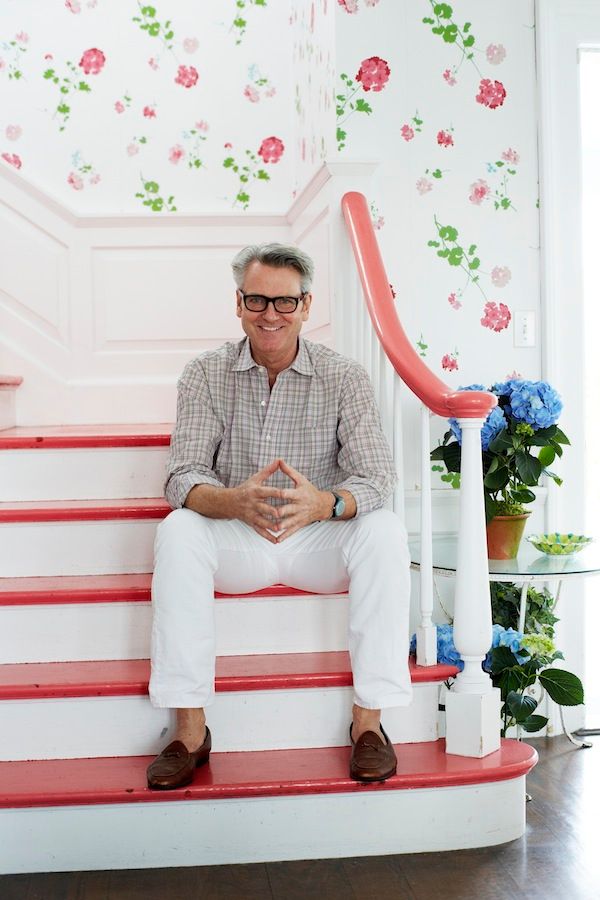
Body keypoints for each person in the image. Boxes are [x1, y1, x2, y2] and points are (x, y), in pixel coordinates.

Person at [146, 242, 412, 790]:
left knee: (384, 530)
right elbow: (182, 476)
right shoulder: (204, 373)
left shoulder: (345, 377)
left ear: (307, 305)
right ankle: (189, 730)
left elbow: (378, 479)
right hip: (237, 542)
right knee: (177, 531)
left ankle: (370, 724)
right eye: (258, 300)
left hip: (317, 544)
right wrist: (231, 501)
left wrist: (325, 503)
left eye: (285, 302)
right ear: (238, 303)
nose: (271, 314)